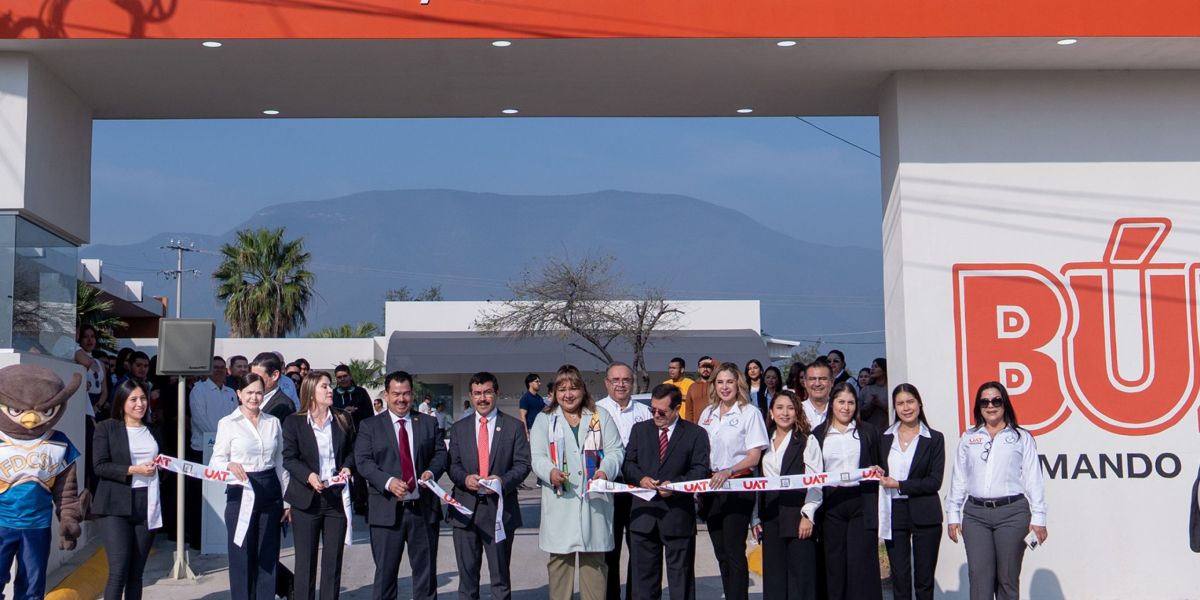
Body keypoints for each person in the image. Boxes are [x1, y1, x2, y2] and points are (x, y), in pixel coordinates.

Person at [945, 382, 1047, 600]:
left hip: (1012, 513)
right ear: (978, 406)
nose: (990, 406)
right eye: (985, 402)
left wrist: (1039, 517)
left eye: (996, 401)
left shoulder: (1021, 437)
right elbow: (959, 478)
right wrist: (952, 514)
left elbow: (1033, 479)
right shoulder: (969, 438)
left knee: (1007, 579)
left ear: (1005, 403)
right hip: (975, 515)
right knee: (980, 579)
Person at [530, 364, 625, 600]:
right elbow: (538, 457)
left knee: (594, 572)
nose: (568, 394)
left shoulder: (599, 416)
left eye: (573, 388)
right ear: (554, 393)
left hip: (595, 505)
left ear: (583, 390)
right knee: (560, 572)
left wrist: (604, 471)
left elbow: (616, 451)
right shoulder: (545, 420)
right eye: (562, 389)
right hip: (561, 503)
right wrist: (550, 471)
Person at [354, 371, 447, 600]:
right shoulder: (369, 426)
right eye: (396, 394)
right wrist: (388, 482)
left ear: (413, 394)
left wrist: (430, 472)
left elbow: (440, 455)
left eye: (406, 393)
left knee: (425, 578)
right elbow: (363, 462)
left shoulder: (428, 422)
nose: (401, 399)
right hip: (386, 512)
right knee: (385, 578)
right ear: (386, 395)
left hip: (423, 511)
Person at [448, 372, 532, 600]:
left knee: (500, 580)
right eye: (477, 393)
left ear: (497, 393)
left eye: (487, 392)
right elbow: (452, 465)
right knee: (467, 582)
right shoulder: (459, 428)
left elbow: (524, 464)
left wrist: (502, 481)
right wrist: (464, 479)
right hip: (464, 512)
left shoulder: (514, 427)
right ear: (471, 396)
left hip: (499, 512)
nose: (482, 398)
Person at [623, 383, 710, 600]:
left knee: (681, 581)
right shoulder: (640, 430)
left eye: (662, 411)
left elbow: (700, 470)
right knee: (643, 583)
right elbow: (628, 464)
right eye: (653, 410)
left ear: (677, 408)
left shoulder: (696, 434)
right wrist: (640, 478)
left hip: (677, 516)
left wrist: (676, 487)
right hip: (643, 517)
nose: (656, 415)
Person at [210, 373, 289, 600]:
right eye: (249, 393)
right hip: (240, 491)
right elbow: (215, 461)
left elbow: (280, 462)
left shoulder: (272, 422)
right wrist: (229, 464)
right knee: (241, 555)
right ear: (239, 394)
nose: (254, 398)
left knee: (267, 554)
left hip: (270, 490)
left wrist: (286, 500)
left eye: (258, 393)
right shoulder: (227, 423)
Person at [697, 362, 769, 600]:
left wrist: (728, 471)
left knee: (734, 549)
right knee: (720, 552)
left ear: (738, 384)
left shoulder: (750, 413)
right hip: (711, 488)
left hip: (737, 486)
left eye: (729, 382)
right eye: (720, 382)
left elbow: (754, 456)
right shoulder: (707, 413)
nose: (724, 387)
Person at [283, 371, 356, 600]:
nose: (330, 390)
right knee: (305, 562)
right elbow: (289, 458)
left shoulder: (343, 418)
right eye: (324, 386)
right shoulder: (294, 421)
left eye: (329, 386)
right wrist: (308, 476)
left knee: (333, 561)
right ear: (311, 391)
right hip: (306, 500)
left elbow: (353, 452)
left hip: (335, 499)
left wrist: (348, 467)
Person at [812, 383, 883, 600]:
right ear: (831, 404)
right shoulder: (818, 434)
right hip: (831, 503)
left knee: (860, 563)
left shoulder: (868, 431)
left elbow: (880, 463)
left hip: (861, 502)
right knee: (834, 563)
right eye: (841, 402)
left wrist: (878, 470)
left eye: (851, 402)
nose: (846, 407)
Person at [93, 380, 162, 600]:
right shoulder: (107, 427)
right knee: (119, 570)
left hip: (147, 503)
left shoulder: (153, 431)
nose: (140, 404)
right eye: (133, 399)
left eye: (143, 398)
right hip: (115, 505)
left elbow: (165, 464)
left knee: (136, 573)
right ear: (122, 401)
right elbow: (100, 466)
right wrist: (135, 469)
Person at [753, 390, 823, 600]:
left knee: (801, 581)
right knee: (774, 581)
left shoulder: (806, 440)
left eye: (790, 408)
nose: (785, 413)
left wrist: (807, 515)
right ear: (772, 413)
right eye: (780, 408)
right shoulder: (763, 443)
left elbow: (816, 480)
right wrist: (756, 517)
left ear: (797, 412)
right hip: (771, 517)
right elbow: (757, 483)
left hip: (797, 516)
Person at [879, 384, 945, 600]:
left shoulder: (934, 438)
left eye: (910, 402)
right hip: (894, 512)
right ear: (894, 408)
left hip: (925, 512)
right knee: (900, 578)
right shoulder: (884, 437)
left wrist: (899, 484)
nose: (906, 408)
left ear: (919, 404)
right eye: (900, 403)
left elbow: (934, 482)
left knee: (924, 581)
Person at [595, 362, 652, 600]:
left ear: (633, 383)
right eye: (615, 380)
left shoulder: (644, 412)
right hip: (609, 486)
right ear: (607, 383)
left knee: (639, 546)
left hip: (638, 487)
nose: (621, 385)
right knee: (610, 548)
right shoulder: (594, 411)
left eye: (626, 380)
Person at [186, 355, 237, 549]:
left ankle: (220, 537)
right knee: (199, 497)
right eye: (215, 367)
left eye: (222, 368)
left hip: (226, 453)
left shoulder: (231, 392)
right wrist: (217, 439)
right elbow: (199, 419)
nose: (219, 371)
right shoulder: (198, 391)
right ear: (208, 370)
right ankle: (198, 539)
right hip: (202, 450)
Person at [251, 352, 295, 421]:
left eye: (258, 377)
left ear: (274, 375)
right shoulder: (248, 399)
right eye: (252, 377)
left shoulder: (285, 405)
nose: (253, 381)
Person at [682, 356, 717, 423]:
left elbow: (723, 369)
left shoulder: (717, 385)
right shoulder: (692, 387)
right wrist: (689, 427)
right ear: (698, 369)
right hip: (697, 426)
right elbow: (689, 410)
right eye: (703, 366)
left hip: (714, 424)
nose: (706, 369)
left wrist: (712, 362)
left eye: (708, 366)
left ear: (713, 369)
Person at [801, 360, 833, 429]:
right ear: (805, 382)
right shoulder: (797, 411)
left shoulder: (841, 410)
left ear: (832, 381)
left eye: (822, 379)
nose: (817, 384)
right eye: (812, 379)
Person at [858, 358, 889, 429]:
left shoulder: (890, 388)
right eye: (872, 366)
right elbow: (858, 413)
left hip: (887, 429)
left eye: (876, 367)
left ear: (884, 369)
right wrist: (871, 404)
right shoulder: (866, 389)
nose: (872, 369)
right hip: (868, 430)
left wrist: (881, 404)